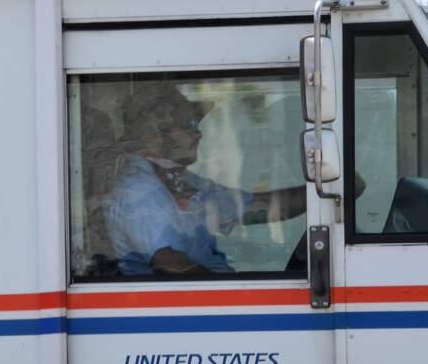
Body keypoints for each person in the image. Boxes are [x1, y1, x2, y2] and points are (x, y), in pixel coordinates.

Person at [104, 83, 307, 276]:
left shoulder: (179, 178)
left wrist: (317, 196)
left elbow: (257, 206)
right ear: (155, 135)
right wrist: (236, 291)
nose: (198, 134)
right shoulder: (138, 187)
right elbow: (170, 266)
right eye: (189, 126)